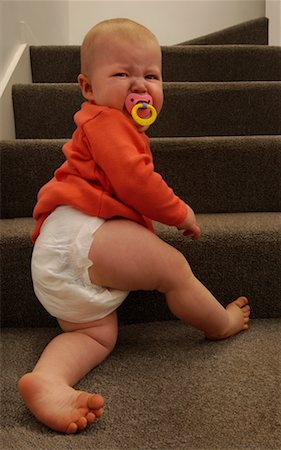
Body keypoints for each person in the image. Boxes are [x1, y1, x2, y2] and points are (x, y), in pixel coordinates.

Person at [18, 18, 250, 434]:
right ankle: (220, 324)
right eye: (122, 74)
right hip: (81, 234)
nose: (139, 85)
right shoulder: (105, 121)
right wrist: (179, 212)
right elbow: (135, 180)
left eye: (151, 75)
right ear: (88, 88)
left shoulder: (116, 125)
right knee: (172, 269)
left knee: (96, 337)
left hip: (63, 265)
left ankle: (48, 379)